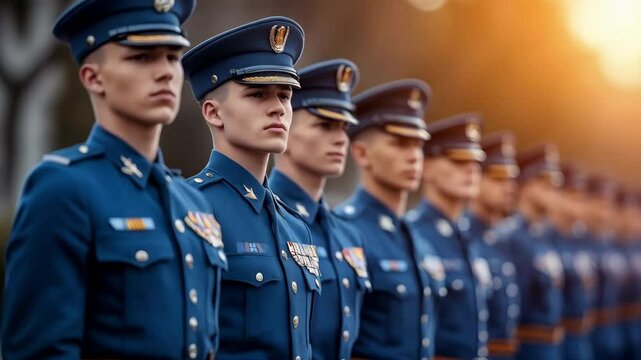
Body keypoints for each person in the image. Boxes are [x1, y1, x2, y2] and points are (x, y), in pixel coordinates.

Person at [2, 1, 228, 359]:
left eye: (173, 56)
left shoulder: (193, 202)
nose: (165, 72)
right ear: (93, 77)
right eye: (141, 57)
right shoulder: (62, 189)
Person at [182, 16, 321, 360]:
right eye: (257, 94)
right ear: (214, 112)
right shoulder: (190, 208)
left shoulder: (296, 226)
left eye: (285, 95)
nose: (278, 108)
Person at [335, 79, 444, 360]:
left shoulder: (413, 236)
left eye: (418, 145)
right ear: (361, 153)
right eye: (400, 144)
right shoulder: (346, 231)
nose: (413, 157)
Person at [269, 58, 370, 360]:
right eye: (324, 125)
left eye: (343, 127)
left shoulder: (347, 234)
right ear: (283, 123)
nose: (340, 139)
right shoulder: (263, 218)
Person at [407, 113, 491, 359]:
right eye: (458, 161)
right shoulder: (416, 233)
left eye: (475, 162)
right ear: (427, 168)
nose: (471, 170)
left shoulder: (467, 235)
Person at [465, 131, 521, 359]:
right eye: (498, 178)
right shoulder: (465, 237)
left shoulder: (500, 238)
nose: (509, 187)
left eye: (511, 179)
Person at [507, 144, 565, 360]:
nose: (554, 190)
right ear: (527, 185)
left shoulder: (541, 235)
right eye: (546, 183)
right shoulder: (513, 238)